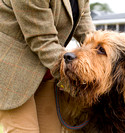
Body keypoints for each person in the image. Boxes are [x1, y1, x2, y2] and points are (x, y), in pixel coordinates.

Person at [0, 0, 95, 132]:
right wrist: (81, 78)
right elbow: (42, 40)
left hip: (45, 70)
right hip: (13, 72)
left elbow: (86, 29)